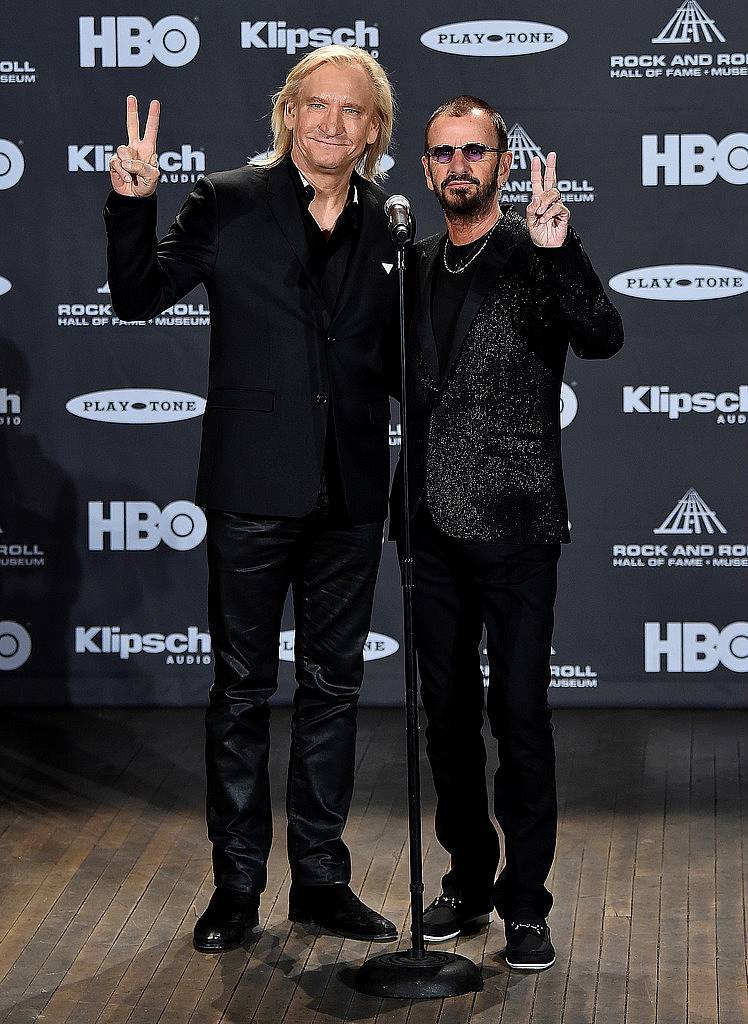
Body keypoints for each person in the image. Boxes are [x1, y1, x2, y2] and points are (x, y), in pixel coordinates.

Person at [104, 46, 401, 951]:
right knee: (240, 692)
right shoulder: (228, 201)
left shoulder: (390, 227)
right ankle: (236, 886)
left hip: (349, 492)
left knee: (333, 689)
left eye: (351, 112)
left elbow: (396, 363)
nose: (330, 124)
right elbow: (135, 296)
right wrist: (133, 200)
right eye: (316, 106)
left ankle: (319, 880)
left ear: (373, 131)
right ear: (288, 113)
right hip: (250, 489)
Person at [391, 95, 623, 970]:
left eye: (474, 151)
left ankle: (527, 903)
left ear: (500, 161)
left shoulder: (535, 255)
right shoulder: (407, 266)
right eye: (443, 153)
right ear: (425, 169)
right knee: (445, 722)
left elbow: (603, 334)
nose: (459, 165)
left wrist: (563, 251)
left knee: (519, 716)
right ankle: (469, 881)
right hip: (426, 528)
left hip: (518, 524)